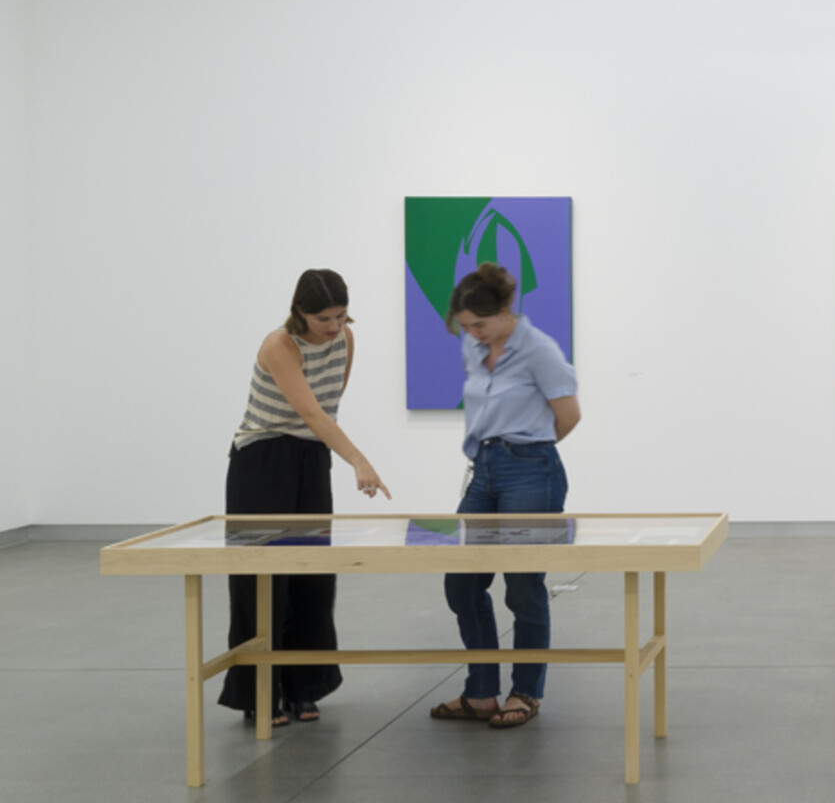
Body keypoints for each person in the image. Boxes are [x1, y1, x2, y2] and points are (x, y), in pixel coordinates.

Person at [221, 268, 390, 726]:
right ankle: (259, 693)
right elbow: (311, 411)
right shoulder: (279, 345)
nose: (334, 327)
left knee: (313, 574)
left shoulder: (345, 339)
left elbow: (330, 401)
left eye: (341, 316)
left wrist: (334, 454)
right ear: (299, 311)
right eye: (323, 318)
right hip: (262, 459)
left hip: (311, 457)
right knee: (262, 579)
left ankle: (303, 687)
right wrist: (359, 460)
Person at [427, 264, 581, 730]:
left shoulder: (539, 350)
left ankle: (526, 691)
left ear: (505, 312)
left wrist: (528, 449)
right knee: (462, 582)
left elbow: (569, 415)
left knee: (522, 583)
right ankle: (481, 694)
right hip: (484, 469)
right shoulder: (474, 349)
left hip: (531, 469)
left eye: (479, 324)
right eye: (465, 326)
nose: (472, 334)